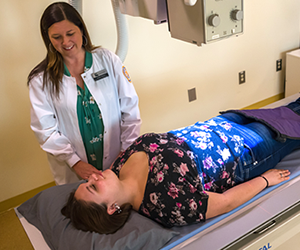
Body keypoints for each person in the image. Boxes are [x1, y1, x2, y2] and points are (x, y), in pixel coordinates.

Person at [61, 98, 300, 234]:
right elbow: (225, 202)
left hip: (221, 124)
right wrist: (266, 180)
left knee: (292, 109)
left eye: (87, 182)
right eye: (93, 188)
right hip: (244, 151)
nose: (93, 177)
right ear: (112, 208)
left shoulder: (120, 164)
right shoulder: (167, 206)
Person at [28, 2, 141, 185]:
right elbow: (45, 131)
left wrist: (125, 153)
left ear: (81, 29)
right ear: (48, 38)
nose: (65, 42)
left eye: (70, 33)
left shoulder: (108, 60)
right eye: (56, 37)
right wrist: (75, 162)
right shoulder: (41, 81)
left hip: (118, 161)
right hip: (73, 171)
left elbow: (130, 110)